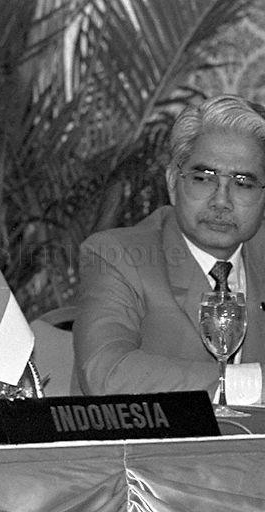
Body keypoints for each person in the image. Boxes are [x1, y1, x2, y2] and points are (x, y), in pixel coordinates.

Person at [74, 95, 265, 404]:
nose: (221, 201)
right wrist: (251, 384)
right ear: (173, 184)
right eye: (203, 178)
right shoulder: (117, 256)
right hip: (151, 450)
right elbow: (106, 372)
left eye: (243, 183)